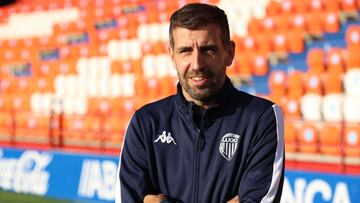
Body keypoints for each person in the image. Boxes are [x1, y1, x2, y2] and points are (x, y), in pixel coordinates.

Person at [116, 3, 285, 203]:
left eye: (208, 50)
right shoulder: (145, 123)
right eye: (185, 51)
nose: (197, 64)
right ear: (172, 56)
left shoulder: (261, 118)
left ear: (229, 53)